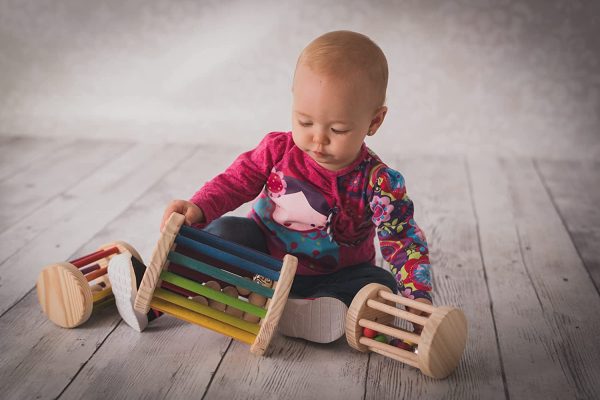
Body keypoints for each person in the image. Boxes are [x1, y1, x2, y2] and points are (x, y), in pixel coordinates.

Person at [110, 30, 432, 344]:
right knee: (223, 232)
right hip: (262, 258)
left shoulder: (379, 183)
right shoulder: (279, 150)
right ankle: (151, 299)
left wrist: (417, 301)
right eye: (305, 122)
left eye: (337, 129)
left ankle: (307, 312)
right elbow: (236, 181)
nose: (317, 139)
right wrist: (199, 206)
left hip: (332, 276)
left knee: (379, 283)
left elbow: (402, 239)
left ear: (374, 122)